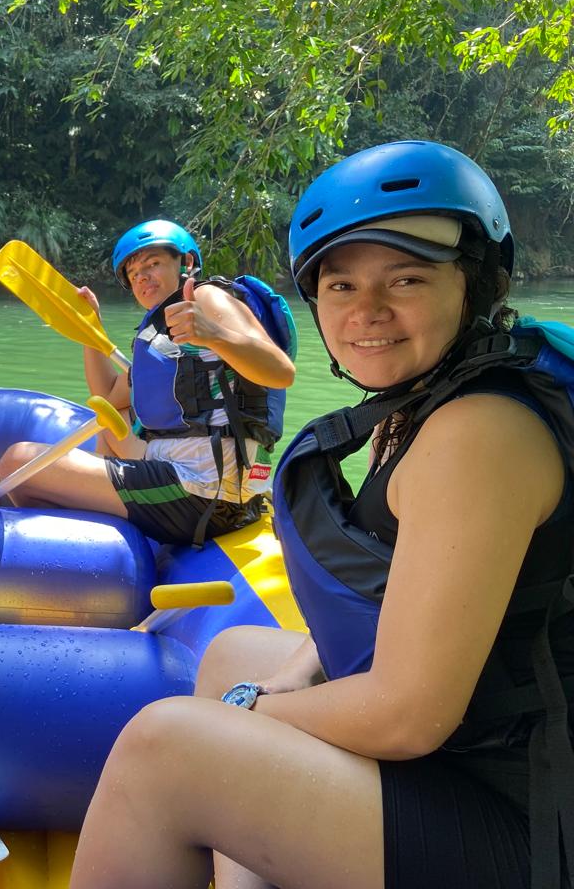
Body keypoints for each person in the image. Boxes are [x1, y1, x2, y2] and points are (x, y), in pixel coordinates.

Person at [71, 140, 574, 889]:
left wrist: (249, 715)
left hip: (522, 824)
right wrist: (280, 682)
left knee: (163, 747)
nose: (367, 312)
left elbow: (408, 716)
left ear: (476, 281)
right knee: (236, 652)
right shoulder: (439, 396)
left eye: (406, 277)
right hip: (478, 754)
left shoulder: (479, 434)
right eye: (340, 287)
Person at [0, 219, 296, 548]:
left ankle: (88, 553)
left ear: (187, 262)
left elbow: (281, 371)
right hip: (189, 478)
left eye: (153, 263)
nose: (142, 277)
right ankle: (109, 536)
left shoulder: (206, 298)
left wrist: (214, 334)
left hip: (204, 489)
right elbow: (107, 398)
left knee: (18, 461)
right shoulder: (156, 334)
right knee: (114, 422)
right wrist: (91, 326)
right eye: (134, 272)